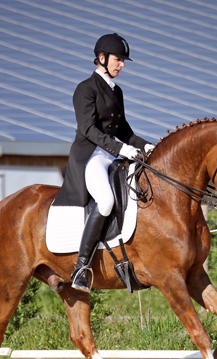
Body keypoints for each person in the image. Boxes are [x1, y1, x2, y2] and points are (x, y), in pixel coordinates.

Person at [52, 33, 155, 292]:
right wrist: (122, 149)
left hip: (112, 155)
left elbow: (125, 131)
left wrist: (149, 146)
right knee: (107, 201)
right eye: (118, 60)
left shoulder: (116, 91)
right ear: (102, 58)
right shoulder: (85, 89)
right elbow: (88, 129)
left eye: (123, 60)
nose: (122, 65)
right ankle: (81, 268)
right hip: (91, 157)